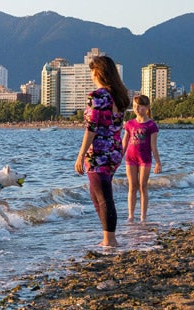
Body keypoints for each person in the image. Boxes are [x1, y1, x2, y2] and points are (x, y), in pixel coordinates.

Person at [74, 55, 129, 248]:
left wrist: (81, 155)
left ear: (98, 72)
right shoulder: (119, 96)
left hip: (99, 153)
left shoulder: (97, 96)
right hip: (114, 151)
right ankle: (108, 235)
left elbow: (92, 128)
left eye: (91, 71)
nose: (90, 75)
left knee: (103, 197)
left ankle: (110, 239)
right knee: (96, 194)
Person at [122, 95, 161, 223]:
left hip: (145, 159)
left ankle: (143, 216)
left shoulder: (151, 125)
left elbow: (153, 146)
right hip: (130, 158)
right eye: (134, 106)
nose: (137, 108)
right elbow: (125, 142)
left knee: (142, 186)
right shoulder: (130, 124)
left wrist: (158, 163)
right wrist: (118, 157)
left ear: (147, 107)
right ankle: (131, 215)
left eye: (139, 106)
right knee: (132, 186)